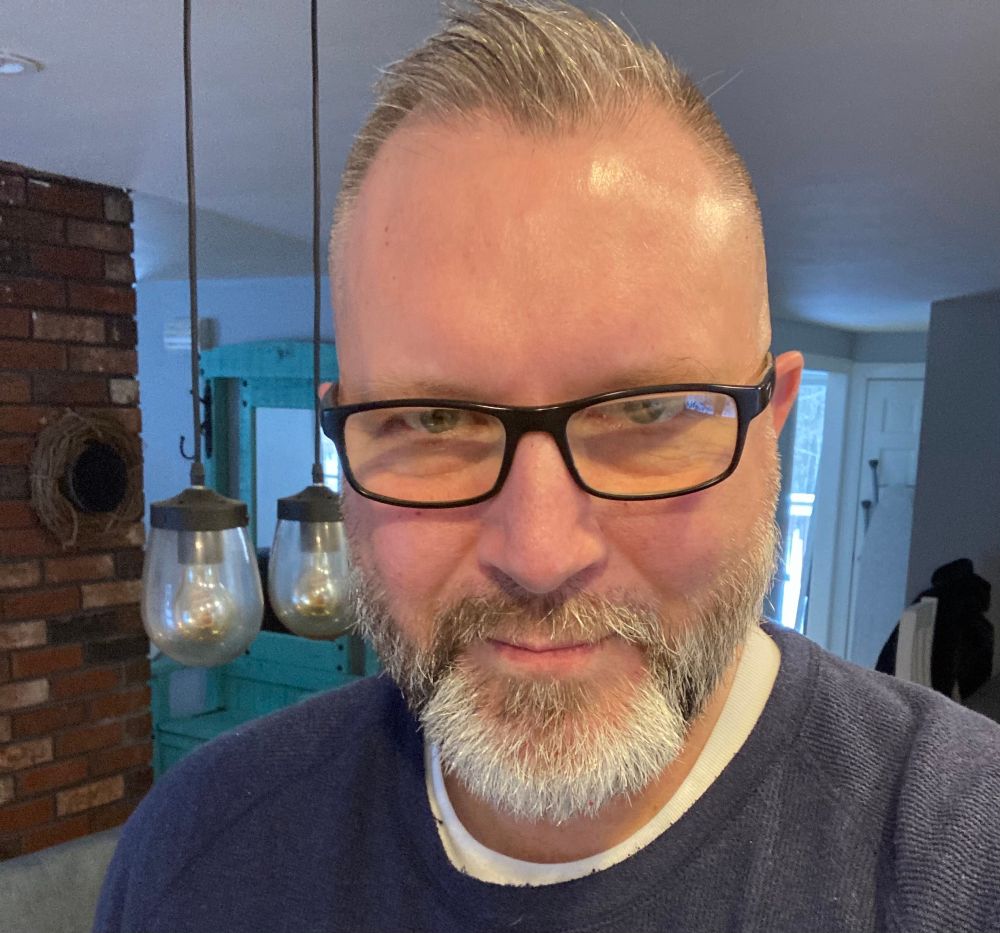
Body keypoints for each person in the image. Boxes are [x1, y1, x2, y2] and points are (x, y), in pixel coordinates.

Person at [95, 2, 1000, 931]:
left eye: (647, 412)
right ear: (344, 439)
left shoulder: (963, 860)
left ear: (772, 423)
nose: (538, 553)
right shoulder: (193, 856)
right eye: (435, 419)